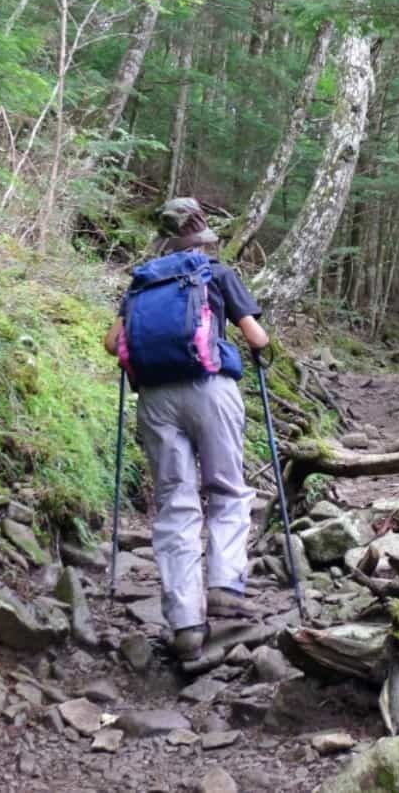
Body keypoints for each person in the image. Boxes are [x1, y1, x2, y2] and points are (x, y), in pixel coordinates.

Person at [104, 198, 269, 660]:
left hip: (155, 398)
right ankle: (225, 587)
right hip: (210, 389)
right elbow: (257, 338)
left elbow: (112, 343)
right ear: (202, 239)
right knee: (227, 489)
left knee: (175, 505)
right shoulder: (215, 273)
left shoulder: (141, 283)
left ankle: (185, 625)